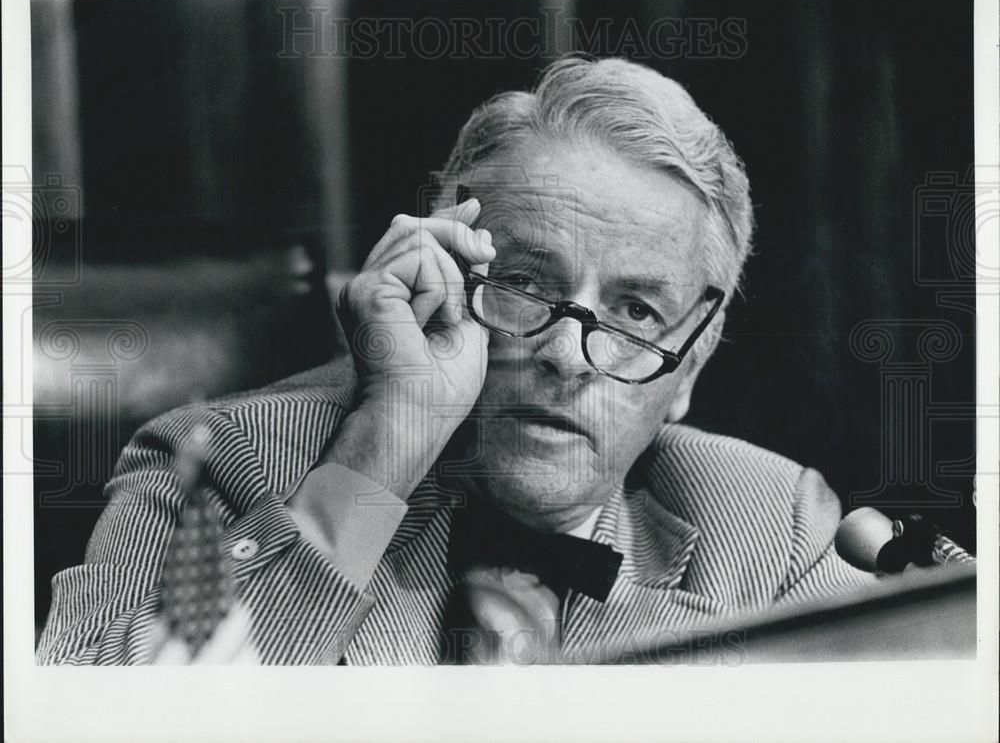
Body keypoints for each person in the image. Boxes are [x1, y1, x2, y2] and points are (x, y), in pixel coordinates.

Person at [37, 55, 871, 666]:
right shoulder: (213, 466)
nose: (565, 356)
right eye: (523, 283)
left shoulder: (773, 529)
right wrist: (386, 446)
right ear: (441, 273)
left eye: (636, 312)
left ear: (685, 374)